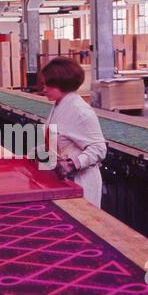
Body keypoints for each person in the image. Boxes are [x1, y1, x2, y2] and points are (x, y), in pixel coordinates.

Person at [40, 57, 107, 207]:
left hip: (81, 182)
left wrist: (73, 163)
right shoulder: (58, 105)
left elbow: (99, 148)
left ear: (62, 84)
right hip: (63, 180)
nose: (43, 89)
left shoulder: (80, 111)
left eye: (48, 85)